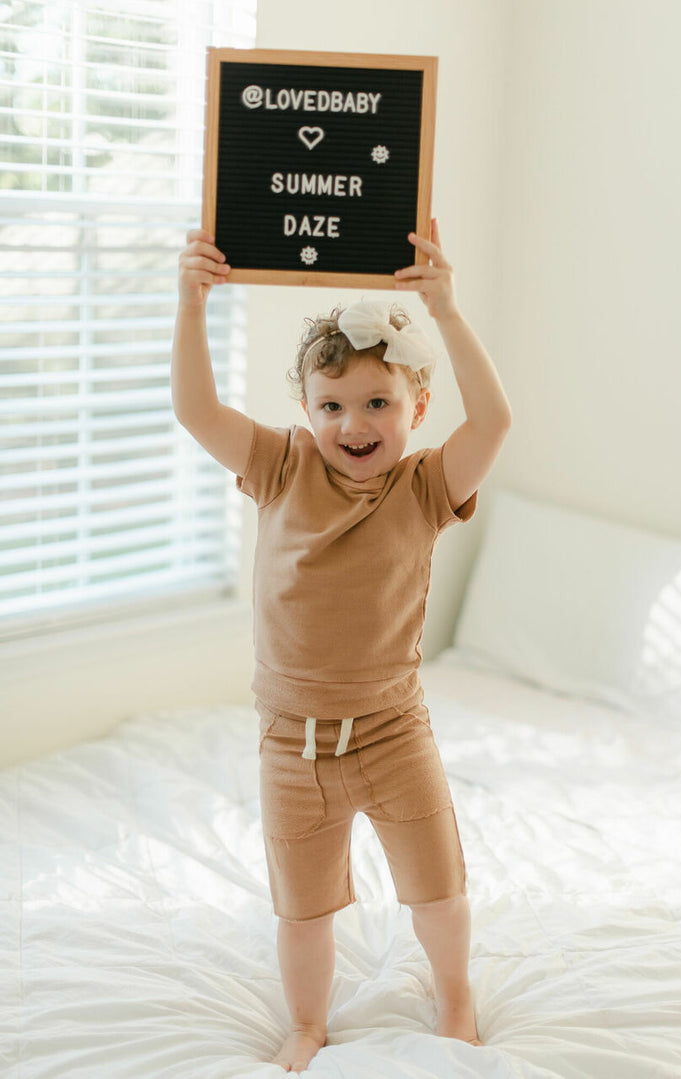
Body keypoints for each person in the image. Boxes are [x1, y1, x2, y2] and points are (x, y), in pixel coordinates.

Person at [172, 220, 512, 1072]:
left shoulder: (426, 485)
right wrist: (191, 301)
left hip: (395, 732)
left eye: (377, 404)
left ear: (416, 408)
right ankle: (307, 1023)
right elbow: (195, 410)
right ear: (307, 410)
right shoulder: (281, 466)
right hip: (294, 742)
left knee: (438, 889)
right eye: (332, 405)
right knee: (303, 910)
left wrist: (445, 308)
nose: (353, 424)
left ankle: (457, 998)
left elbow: (497, 420)